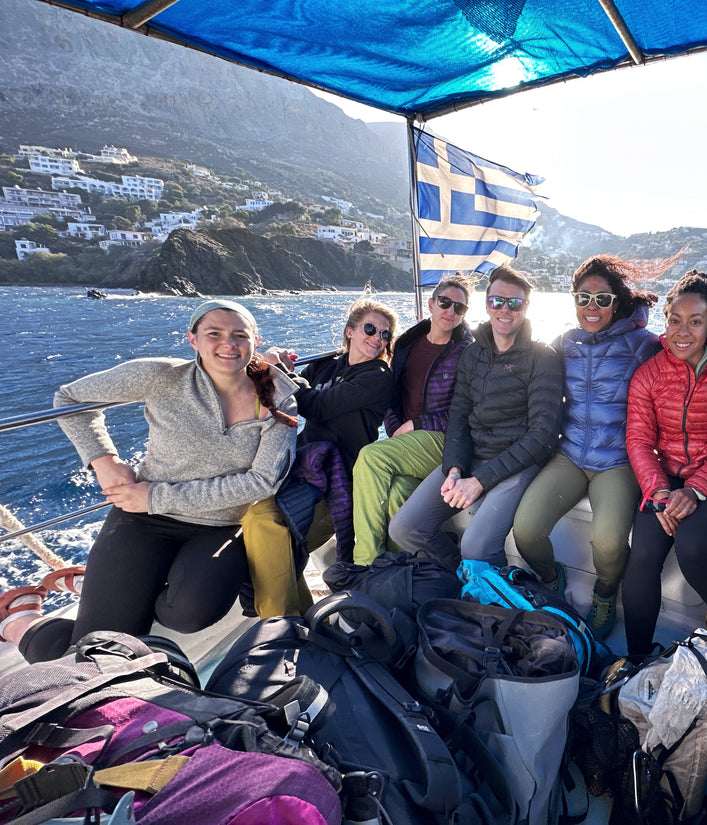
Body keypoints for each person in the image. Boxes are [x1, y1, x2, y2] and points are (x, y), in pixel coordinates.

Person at [0, 300, 299, 662]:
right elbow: (70, 398)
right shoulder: (162, 376)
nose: (228, 344)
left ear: (255, 340)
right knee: (95, 654)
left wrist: (156, 497)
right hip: (142, 521)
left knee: (188, 614)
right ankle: (21, 621)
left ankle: (96, 586)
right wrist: (103, 459)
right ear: (192, 339)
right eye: (214, 334)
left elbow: (262, 482)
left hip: (217, 524)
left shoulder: (278, 399)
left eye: (240, 335)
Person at [512, 256, 661, 638]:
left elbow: (686, 362)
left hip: (618, 461)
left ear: (618, 301)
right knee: (526, 530)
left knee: (609, 542)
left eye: (602, 299)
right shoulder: (564, 342)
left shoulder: (645, 345)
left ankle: (606, 593)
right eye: (583, 298)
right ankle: (551, 578)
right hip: (570, 455)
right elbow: (528, 374)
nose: (591, 307)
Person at [620, 270, 707, 659]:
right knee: (642, 554)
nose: (683, 331)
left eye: (695, 321)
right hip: (664, 479)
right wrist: (660, 490)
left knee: (692, 546)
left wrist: (695, 490)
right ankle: (637, 658)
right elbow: (639, 440)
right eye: (675, 320)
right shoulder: (649, 373)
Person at [388, 265, 563, 569]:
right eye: (497, 302)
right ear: (486, 305)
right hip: (472, 457)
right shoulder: (472, 355)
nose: (504, 310)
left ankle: (495, 596)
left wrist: (479, 481)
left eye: (514, 303)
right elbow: (458, 415)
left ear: (526, 308)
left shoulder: (542, 357)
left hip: (519, 463)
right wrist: (455, 468)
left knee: (477, 546)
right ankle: (461, 580)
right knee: (405, 528)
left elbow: (542, 434)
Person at [242, 297, 396, 617]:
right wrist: (275, 367)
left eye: (385, 334)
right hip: (301, 465)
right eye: (370, 328)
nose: (377, 338)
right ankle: (295, 622)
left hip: (338, 478)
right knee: (261, 532)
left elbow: (314, 405)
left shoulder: (378, 376)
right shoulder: (328, 365)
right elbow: (287, 398)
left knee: (277, 541)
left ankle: (285, 626)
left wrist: (277, 371)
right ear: (349, 331)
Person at [350, 275, 474, 565]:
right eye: (445, 303)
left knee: (370, 458)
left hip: (445, 440)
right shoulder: (406, 345)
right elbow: (393, 398)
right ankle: (399, 571)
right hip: (408, 442)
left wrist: (417, 425)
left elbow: (464, 411)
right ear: (431, 304)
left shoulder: (467, 352)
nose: (451, 312)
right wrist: (396, 429)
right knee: (397, 494)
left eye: (460, 308)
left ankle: (366, 564)